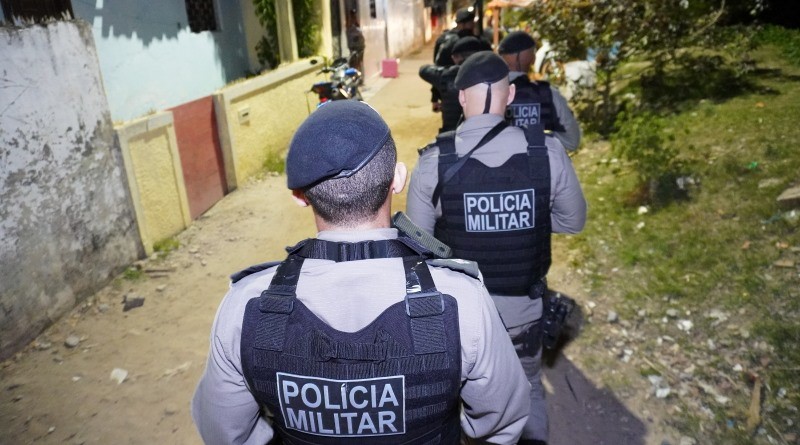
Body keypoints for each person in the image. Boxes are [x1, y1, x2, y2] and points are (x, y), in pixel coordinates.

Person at [191, 100, 530, 444]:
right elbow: (502, 421)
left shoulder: (245, 308)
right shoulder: (461, 302)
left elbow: (226, 434)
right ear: (398, 178)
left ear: (299, 197)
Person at [406, 52, 588, 445]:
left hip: (460, 320)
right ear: (509, 98)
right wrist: (524, 218)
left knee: (457, 401)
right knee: (530, 390)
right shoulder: (547, 153)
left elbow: (416, 250)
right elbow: (573, 221)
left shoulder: (434, 162)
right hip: (523, 314)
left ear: (461, 99)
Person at [498, 31, 582, 152]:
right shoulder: (548, 94)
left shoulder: (485, 94)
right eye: (533, 54)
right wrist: (540, 138)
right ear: (529, 58)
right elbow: (572, 141)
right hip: (539, 166)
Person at [419, 36, 490, 134]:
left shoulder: (446, 75)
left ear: (457, 57)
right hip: (480, 134)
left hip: (451, 137)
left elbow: (423, 70)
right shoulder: (489, 74)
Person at [430, 8, 480, 115]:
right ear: (464, 24)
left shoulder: (442, 39)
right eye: (471, 23)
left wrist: (434, 98)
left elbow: (437, 69)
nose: (473, 26)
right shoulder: (473, 40)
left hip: (447, 91)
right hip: (469, 89)